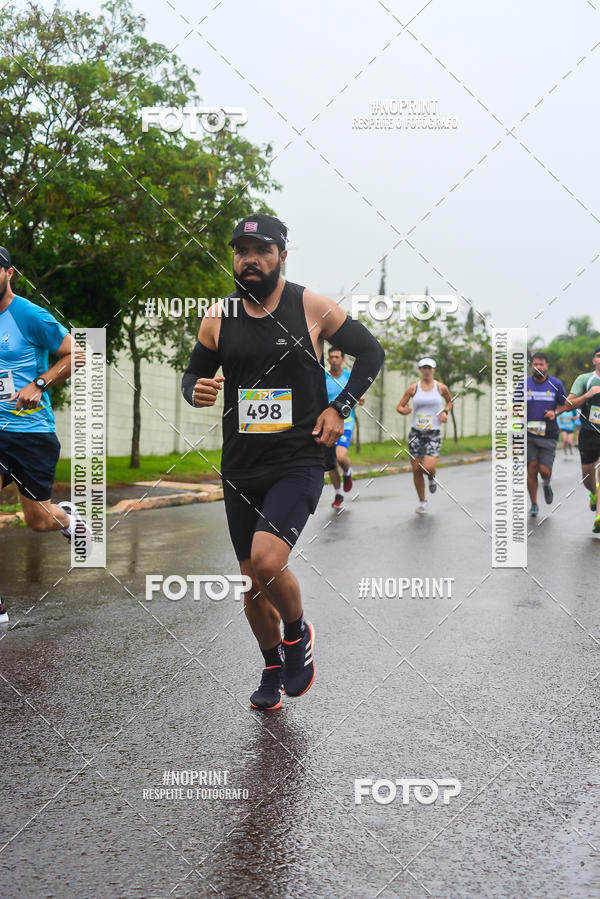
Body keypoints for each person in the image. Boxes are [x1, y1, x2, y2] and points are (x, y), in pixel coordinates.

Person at [181, 214, 384, 709]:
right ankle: (272, 665)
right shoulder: (217, 317)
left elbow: (370, 352)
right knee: (252, 584)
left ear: (282, 256)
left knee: (271, 562)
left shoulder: (310, 306)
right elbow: (193, 377)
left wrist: (340, 406)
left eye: (261, 250)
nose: (249, 259)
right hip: (242, 465)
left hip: (298, 458)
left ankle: (297, 633)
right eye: (241, 250)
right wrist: (196, 391)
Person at [0, 247, 90, 625]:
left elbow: (78, 353)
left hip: (31, 431)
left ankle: (67, 519)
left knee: (37, 520)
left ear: (9, 273)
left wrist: (40, 383)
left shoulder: (29, 314)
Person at [396, 358, 452, 514]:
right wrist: (404, 410)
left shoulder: (441, 388)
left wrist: (445, 412)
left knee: (428, 467)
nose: (426, 371)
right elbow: (399, 406)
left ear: (434, 370)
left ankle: (431, 477)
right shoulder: (413, 389)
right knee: (416, 469)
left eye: (429, 368)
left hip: (433, 433)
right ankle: (422, 501)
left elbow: (449, 401)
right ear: (420, 370)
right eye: (423, 368)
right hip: (416, 433)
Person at [523, 352, 568, 517]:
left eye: (541, 364)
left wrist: (555, 412)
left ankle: (547, 483)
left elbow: (565, 405)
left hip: (548, 433)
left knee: (544, 471)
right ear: (532, 366)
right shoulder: (523, 384)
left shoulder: (556, 384)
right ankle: (534, 503)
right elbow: (515, 405)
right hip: (528, 434)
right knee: (532, 469)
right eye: (535, 364)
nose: (538, 367)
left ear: (546, 365)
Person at [565, 346, 600, 533]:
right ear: (594, 360)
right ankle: (594, 494)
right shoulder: (585, 380)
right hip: (588, 433)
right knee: (587, 477)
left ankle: (598, 518)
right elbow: (568, 405)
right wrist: (588, 394)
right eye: (598, 356)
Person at [325, 347, 364, 509]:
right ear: (328, 360)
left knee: (340, 456)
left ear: (342, 360)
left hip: (345, 423)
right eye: (331, 357)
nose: (334, 360)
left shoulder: (349, 376)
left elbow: (360, 396)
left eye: (337, 357)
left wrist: (360, 399)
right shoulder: (323, 377)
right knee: (331, 463)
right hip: (327, 424)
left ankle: (348, 473)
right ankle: (338, 493)